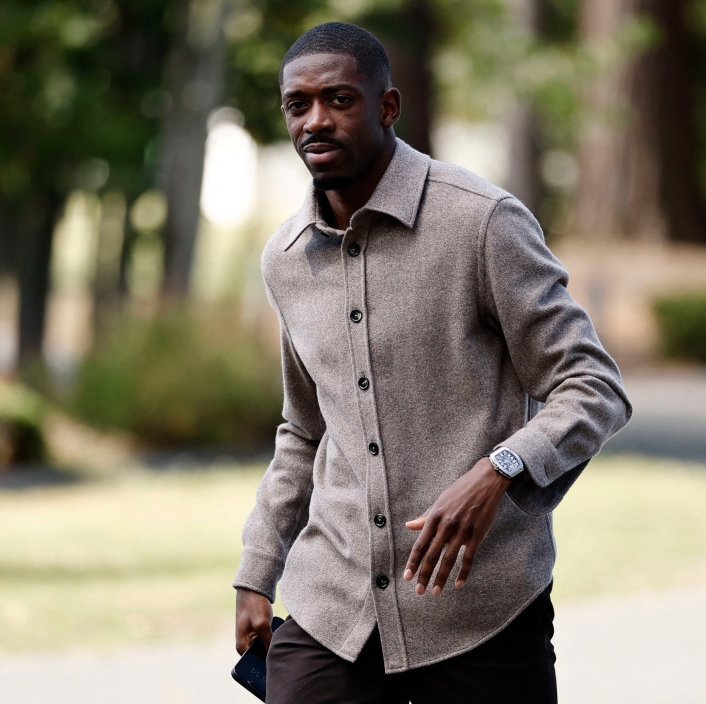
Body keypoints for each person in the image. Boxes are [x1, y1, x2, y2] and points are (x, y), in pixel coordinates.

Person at [233, 21, 632, 704]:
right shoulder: (286, 258)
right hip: (334, 607)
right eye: (298, 106)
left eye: (339, 100)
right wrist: (256, 571)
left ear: (387, 107)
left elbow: (592, 385)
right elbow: (304, 431)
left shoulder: (482, 222)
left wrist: (499, 470)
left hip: (481, 612)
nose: (316, 121)